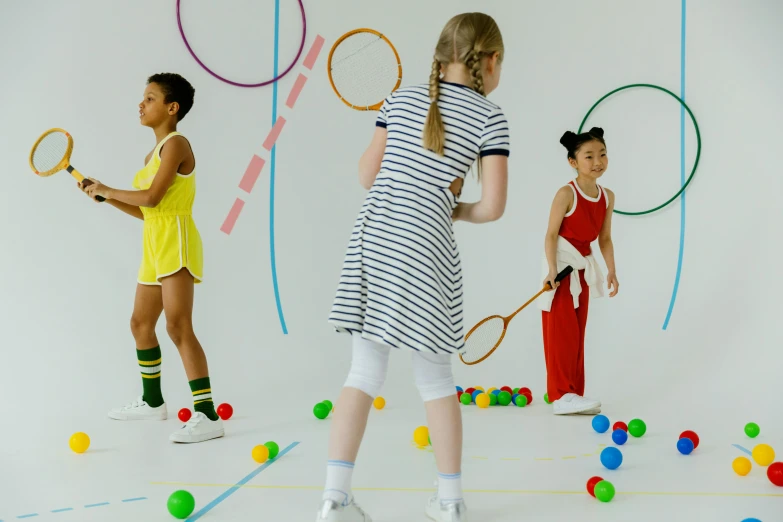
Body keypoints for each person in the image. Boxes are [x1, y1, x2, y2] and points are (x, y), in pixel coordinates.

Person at [320, 12, 510, 522]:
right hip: (426, 246)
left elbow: (367, 175)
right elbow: (492, 207)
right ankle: (450, 502)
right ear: (489, 61)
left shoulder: (401, 98)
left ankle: (334, 499)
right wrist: (452, 206)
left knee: (362, 371)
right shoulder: (491, 117)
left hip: (375, 235)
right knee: (436, 380)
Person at [79, 73, 224, 444]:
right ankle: (152, 401)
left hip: (176, 241)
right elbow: (146, 212)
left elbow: (154, 198)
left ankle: (207, 415)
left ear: (171, 108)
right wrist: (105, 197)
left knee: (178, 326)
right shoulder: (152, 154)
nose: (141, 104)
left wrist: (110, 188)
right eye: (143, 98)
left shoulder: (176, 144)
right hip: (154, 243)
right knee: (140, 324)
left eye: (150, 98)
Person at [539, 127, 619, 416]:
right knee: (561, 333)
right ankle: (561, 395)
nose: (598, 161)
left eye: (602, 154)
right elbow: (550, 235)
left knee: (577, 333)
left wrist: (611, 271)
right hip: (560, 267)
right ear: (573, 162)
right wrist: (550, 270)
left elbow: (604, 238)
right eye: (589, 156)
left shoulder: (607, 196)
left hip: (583, 267)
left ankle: (574, 393)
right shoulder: (566, 193)